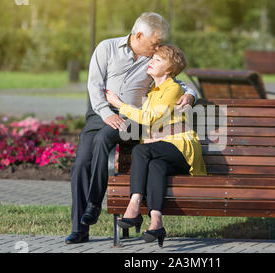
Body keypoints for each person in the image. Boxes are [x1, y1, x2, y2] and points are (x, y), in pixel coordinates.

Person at [65, 12, 198, 244]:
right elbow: (94, 86)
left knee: (105, 137)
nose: (157, 47)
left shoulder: (154, 57)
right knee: (80, 164)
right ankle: (80, 228)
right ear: (138, 35)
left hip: (135, 120)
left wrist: (190, 95)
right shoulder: (107, 48)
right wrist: (107, 114)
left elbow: (177, 80)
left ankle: (94, 205)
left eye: (159, 43)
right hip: (101, 114)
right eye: (154, 42)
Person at [105, 44, 207, 248]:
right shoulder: (152, 92)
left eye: (158, 60)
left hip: (181, 148)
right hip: (163, 152)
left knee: (141, 150)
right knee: (155, 167)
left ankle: (134, 204)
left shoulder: (173, 89)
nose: (151, 62)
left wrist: (119, 104)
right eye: (153, 58)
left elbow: (149, 118)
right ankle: (156, 221)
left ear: (169, 69)